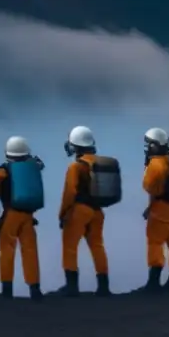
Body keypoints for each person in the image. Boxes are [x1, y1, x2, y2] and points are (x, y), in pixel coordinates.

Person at [0, 136, 44, 300]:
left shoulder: (4, 170)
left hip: (11, 215)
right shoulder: (33, 167)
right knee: (30, 252)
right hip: (28, 216)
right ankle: (35, 289)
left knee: (7, 251)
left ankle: (7, 291)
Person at [59, 126, 111, 296]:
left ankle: (72, 287)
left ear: (75, 146)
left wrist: (63, 213)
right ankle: (103, 287)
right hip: (98, 212)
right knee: (97, 246)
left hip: (79, 211)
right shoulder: (99, 163)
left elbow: (70, 192)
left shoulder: (76, 166)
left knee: (70, 247)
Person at [142, 127, 169, 292]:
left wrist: (147, 168)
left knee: (155, 242)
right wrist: (149, 207)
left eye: (148, 144)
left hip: (162, 209)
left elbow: (150, 187)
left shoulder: (156, 163)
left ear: (154, 145)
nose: (147, 148)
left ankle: (153, 282)